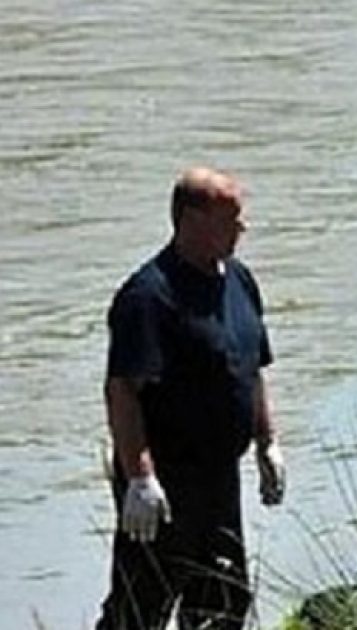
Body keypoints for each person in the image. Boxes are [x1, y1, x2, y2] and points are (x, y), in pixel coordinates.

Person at [96, 167, 285, 629]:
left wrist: (268, 443)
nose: (243, 228)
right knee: (141, 608)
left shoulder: (240, 281)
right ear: (192, 220)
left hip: (221, 479)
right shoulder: (149, 296)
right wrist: (139, 479)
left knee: (222, 603)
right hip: (165, 485)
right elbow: (122, 389)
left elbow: (252, 368)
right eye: (232, 219)